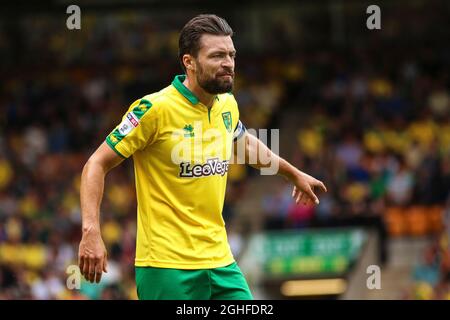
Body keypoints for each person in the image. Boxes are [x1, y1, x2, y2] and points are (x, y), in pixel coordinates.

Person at [78, 14, 327, 300]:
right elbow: (95, 164)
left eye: (231, 55)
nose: (228, 64)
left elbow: (243, 144)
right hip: (167, 266)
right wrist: (91, 230)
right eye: (217, 56)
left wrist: (292, 173)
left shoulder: (227, 104)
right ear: (189, 62)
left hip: (220, 261)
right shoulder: (152, 109)